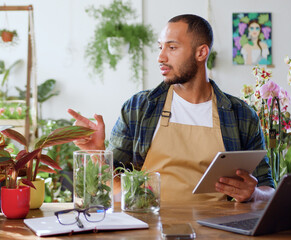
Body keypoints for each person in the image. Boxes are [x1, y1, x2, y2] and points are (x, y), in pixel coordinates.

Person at [68, 14, 275, 203]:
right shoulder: (138, 108)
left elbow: (268, 188)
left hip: (216, 230)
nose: (161, 57)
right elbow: (112, 185)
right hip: (148, 226)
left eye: (172, 48)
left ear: (201, 52)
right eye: (160, 47)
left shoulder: (241, 116)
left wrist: (254, 193)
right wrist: (96, 151)